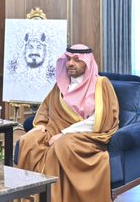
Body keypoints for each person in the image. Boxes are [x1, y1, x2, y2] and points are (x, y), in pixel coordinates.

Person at [17, 44, 119, 202]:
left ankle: (53, 198)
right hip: (55, 131)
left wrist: (64, 133)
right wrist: (41, 124)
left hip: (87, 136)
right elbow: (46, 107)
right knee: (29, 140)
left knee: (62, 145)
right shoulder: (61, 84)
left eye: (77, 60)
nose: (70, 63)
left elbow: (97, 120)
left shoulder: (101, 84)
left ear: (88, 62)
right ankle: (32, 197)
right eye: (69, 59)